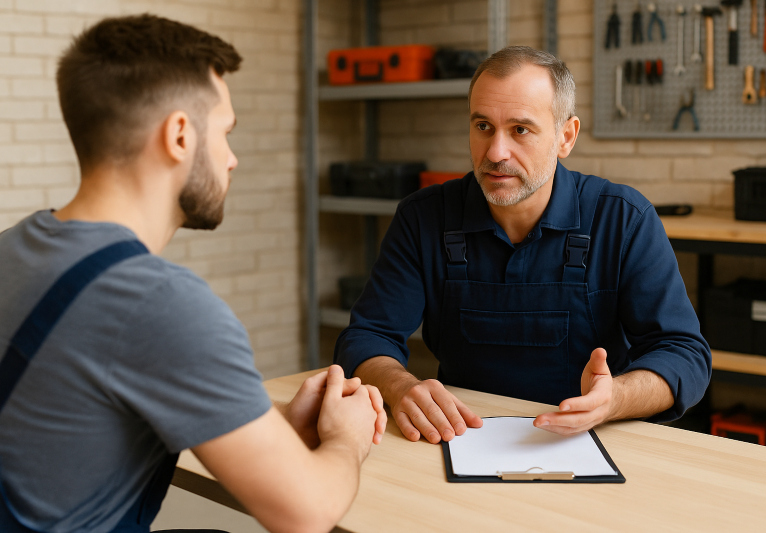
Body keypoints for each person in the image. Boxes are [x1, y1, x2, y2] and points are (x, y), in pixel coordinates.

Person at [0, 14, 386, 533]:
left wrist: (267, 429)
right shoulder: (158, 303)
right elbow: (306, 513)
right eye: (224, 132)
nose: (231, 159)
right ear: (180, 135)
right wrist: (349, 436)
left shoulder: (16, 247)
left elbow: (74, 427)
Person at [334, 46, 711, 444]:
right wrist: (399, 387)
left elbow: (684, 354)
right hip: (461, 439)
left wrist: (615, 398)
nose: (496, 153)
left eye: (520, 130)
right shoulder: (423, 218)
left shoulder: (623, 219)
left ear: (566, 136)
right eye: (483, 127)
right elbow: (366, 337)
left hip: (589, 443)